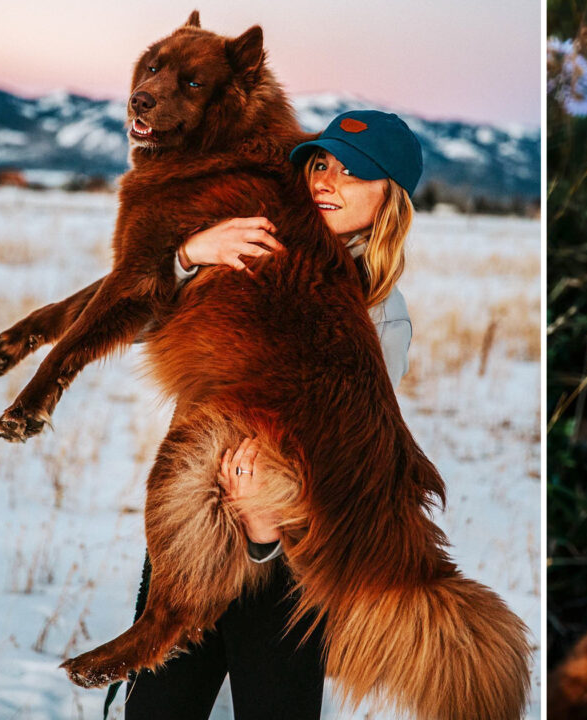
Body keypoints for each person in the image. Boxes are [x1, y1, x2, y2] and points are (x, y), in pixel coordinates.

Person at [112, 110, 424, 719]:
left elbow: (346, 447)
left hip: (287, 556)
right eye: (321, 164)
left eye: (355, 172)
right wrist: (188, 254)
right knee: (155, 709)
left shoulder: (381, 313)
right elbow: (139, 323)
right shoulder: (251, 243)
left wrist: (263, 531)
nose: (327, 181)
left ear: (392, 199)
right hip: (192, 534)